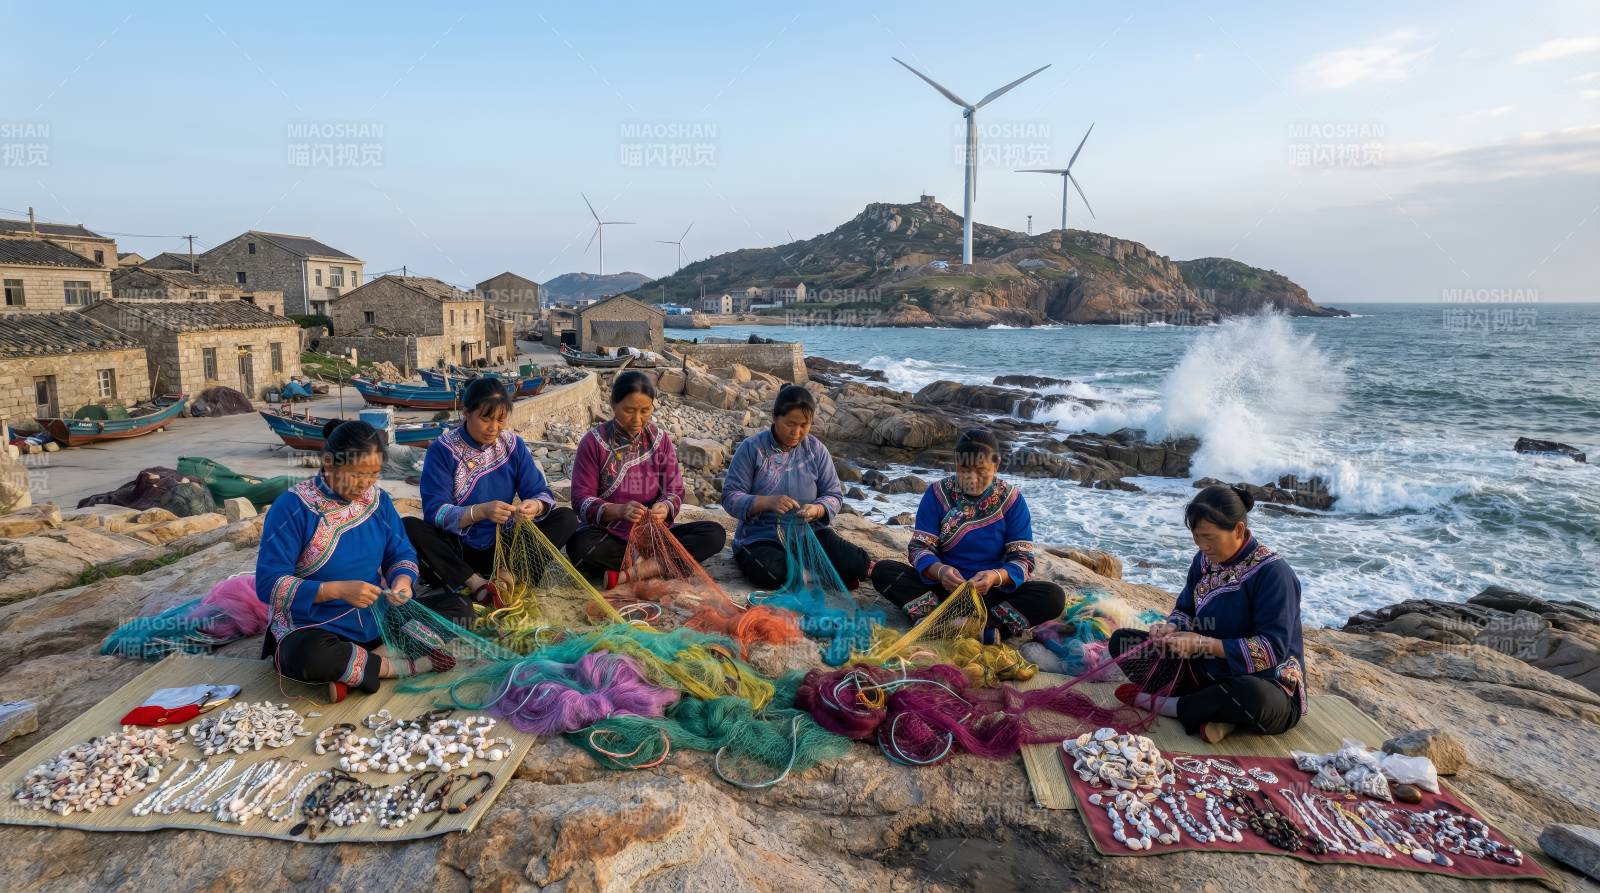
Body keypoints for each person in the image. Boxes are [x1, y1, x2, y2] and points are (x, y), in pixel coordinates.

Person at [257, 420, 466, 703]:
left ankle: (358, 670)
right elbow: (269, 584)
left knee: (459, 609)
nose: (365, 484)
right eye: (356, 474)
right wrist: (337, 591)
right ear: (329, 463)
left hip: (376, 618)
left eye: (373, 475)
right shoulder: (292, 508)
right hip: (315, 627)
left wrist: (402, 583)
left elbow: (400, 552)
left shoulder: (378, 501)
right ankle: (398, 666)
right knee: (308, 656)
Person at [1110, 483, 1307, 743]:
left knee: (1250, 696)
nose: (1203, 546)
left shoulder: (1274, 574)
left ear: (1238, 530)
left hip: (1266, 685)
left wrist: (1204, 644)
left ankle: (1172, 707)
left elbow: (1271, 649)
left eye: (1210, 537)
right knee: (1123, 642)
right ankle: (1217, 716)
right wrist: (1171, 628)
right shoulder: (1203, 561)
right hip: (1205, 672)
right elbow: (1185, 609)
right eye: (1197, 537)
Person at [871, 428, 1066, 641]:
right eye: (964, 469)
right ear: (955, 464)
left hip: (991, 594)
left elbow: (1023, 559)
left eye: (981, 470)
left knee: (1053, 597)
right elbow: (920, 547)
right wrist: (941, 571)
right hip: (942, 589)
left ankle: (959, 622)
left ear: (996, 465)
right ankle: (982, 629)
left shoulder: (1012, 501)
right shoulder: (937, 493)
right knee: (883, 571)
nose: (971, 478)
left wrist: (995, 577)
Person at [406, 377, 578, 607]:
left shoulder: (512, 445)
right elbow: (435, 512)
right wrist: (480, 512)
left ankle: (510, 576)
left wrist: (533, 507)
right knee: (410, 527)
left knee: (565, 518)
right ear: (466, 412)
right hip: (460, 548)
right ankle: (476, 584)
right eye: (486, 418)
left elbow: (540, 492)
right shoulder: (442, 450)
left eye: (500, 419)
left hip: (505, 548)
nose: (494, 428)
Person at [566, 370, 726, 586]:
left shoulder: (660, 441)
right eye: (629, 410)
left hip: (654, 536)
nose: (637, 419)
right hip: (610, 535)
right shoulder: (593, 443)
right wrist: (618, 510)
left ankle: (631, 573)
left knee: (714, 534)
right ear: (613, 405)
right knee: (581, 547)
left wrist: (665, 507)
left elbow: (674, 489)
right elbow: (581, 499)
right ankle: (660, 565)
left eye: (645, 410)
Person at [722, 384, 870, 589]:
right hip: (761, 537)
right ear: (775, 417)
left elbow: (834, 495)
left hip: (806, 535)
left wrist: (818, 509)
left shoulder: (816, 450)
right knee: (772, 573)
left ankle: (805, 571)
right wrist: (764, 502)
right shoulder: (752, 448)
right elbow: (730, 496)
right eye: (790, 424)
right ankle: (815, 572)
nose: (796, 432)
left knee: (858, 564)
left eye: (804, 425)